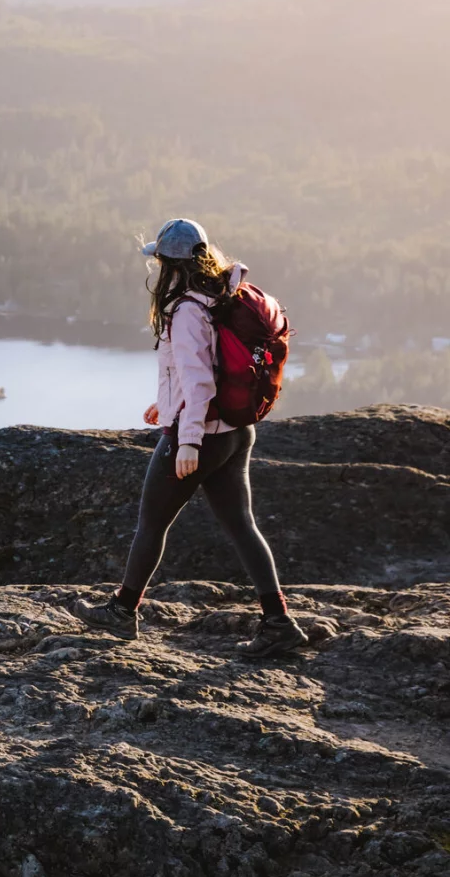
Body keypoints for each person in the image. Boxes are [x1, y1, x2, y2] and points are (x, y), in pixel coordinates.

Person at [75, 218, 308, 657]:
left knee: (151, 523)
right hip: (238, 432)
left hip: (202, 436)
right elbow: (208, 370)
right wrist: (166, 404)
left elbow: (200, 381)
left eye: (160, 261)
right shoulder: (224, 294)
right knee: (242, 525)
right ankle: (279, 623)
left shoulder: (186, 310)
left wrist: (186, 441)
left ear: (171, 266)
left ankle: (122, 613)